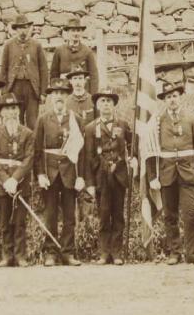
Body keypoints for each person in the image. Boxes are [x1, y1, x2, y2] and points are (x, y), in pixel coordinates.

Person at [153, 81, 194, 265]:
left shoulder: (191, 119)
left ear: (180, 97)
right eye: (168, 97)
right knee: (170, 216)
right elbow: (152, 151)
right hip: (167, 174)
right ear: (164, 100)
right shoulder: (158, 122)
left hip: (188, 174)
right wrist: (153, 176)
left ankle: (193, 254)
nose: (172, 100)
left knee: (191, 213)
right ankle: (174, 252)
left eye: (175, 96)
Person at [80, 87, 136, 265]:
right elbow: (87, 157)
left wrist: (134, 158)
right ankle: (104, 253)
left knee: (118, 215)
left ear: (114, 105)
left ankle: (117, 253)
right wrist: (89, 182)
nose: (106, 105)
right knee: (104, 214)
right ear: (97, 105)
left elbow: (134, 143)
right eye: (102, 101)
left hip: (119, 176)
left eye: (109, 101)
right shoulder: (90, 128)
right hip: (100, 178)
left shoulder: (123, 124)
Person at [33, 78, 84, 266]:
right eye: (55, 93)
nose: (59, 97)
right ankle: (50, 252)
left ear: (67, 96)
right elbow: (37, 150)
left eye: (62, 93)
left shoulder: (76, 119)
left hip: (70, 171)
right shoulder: (43, 119)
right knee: (51, 214)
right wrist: (39, 174)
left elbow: (82, 151)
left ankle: (68, 252)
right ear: (50, 97)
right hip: (50, 172)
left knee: (70, 215)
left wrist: (81, 176)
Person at [0, 93, 35, 267]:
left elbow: (29, 159)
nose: (11, 112)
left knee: (20, 221)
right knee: (5, 221)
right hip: (1, 184)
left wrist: (15, 179)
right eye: (7, 109)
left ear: (19, 110)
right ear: (1, 112)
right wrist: (5, 180)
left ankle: (20, 255)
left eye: (14, 108)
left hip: (20, 182)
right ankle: (7, 256)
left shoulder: (28, 133)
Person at [1, 14, 48, 126]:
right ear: (16, 29)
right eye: (20, 28)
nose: (23, 31)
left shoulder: (36, 45)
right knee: (16, 119)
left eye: (25, 27)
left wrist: (43, 92)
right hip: (14, 87)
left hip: (31, 88)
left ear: (29, 28)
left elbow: (44, 70)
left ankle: (32, 143)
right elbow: (4, 69)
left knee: (33, 121)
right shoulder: (9, 45)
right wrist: (4, 91)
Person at [51, 17, 99, 93]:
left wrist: (92, 96)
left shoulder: (87, 51)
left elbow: (94, 76)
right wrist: (56, 91)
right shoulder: (59, 50)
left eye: (78, 31)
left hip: (83, 91)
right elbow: (54, 74)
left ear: (81, 33)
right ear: (68, 32)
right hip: (64, 90)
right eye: (73, 31)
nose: (76, 34)